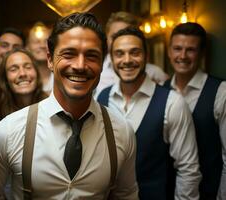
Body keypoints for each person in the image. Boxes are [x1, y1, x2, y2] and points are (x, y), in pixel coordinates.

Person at [0, 12, 139, 199]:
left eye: (92, 56)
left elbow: (127, 195)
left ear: (102, 63)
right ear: (50, 60)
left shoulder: (122, 132)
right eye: (69, 54)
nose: (80, 65)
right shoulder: (7, 132)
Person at [97, 26, 201, 200]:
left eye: (135, 52)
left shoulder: (172, 103)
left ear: (147, 56)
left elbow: (188, 169)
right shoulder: (102, 97)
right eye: (119, 53)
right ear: (112, 59)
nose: (127, 60)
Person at [165, 22, 226, 200]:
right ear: (169, 52)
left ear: (201, 53)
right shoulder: (160, 91)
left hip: (209, 192)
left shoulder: (220, 92)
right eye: (177, 48)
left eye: (190, 50)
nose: (182, 56)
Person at [95, 11, 169, 96]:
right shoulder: (96, 70)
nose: (122, 41)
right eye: (115, 36)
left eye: (127, 34)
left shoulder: (155, 73)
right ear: (106, 38)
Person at [0, 48, 48, 126]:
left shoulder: (51, 107)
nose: (22, 73)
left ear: (37, 73)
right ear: (5, 79)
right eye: (13, 69)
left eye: (28, 67)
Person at [26, 22, 53, 94]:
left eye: (46, 41)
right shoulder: (24, 77)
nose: (42, 46)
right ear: (27, 47)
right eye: (36, 42)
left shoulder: (60, 74)